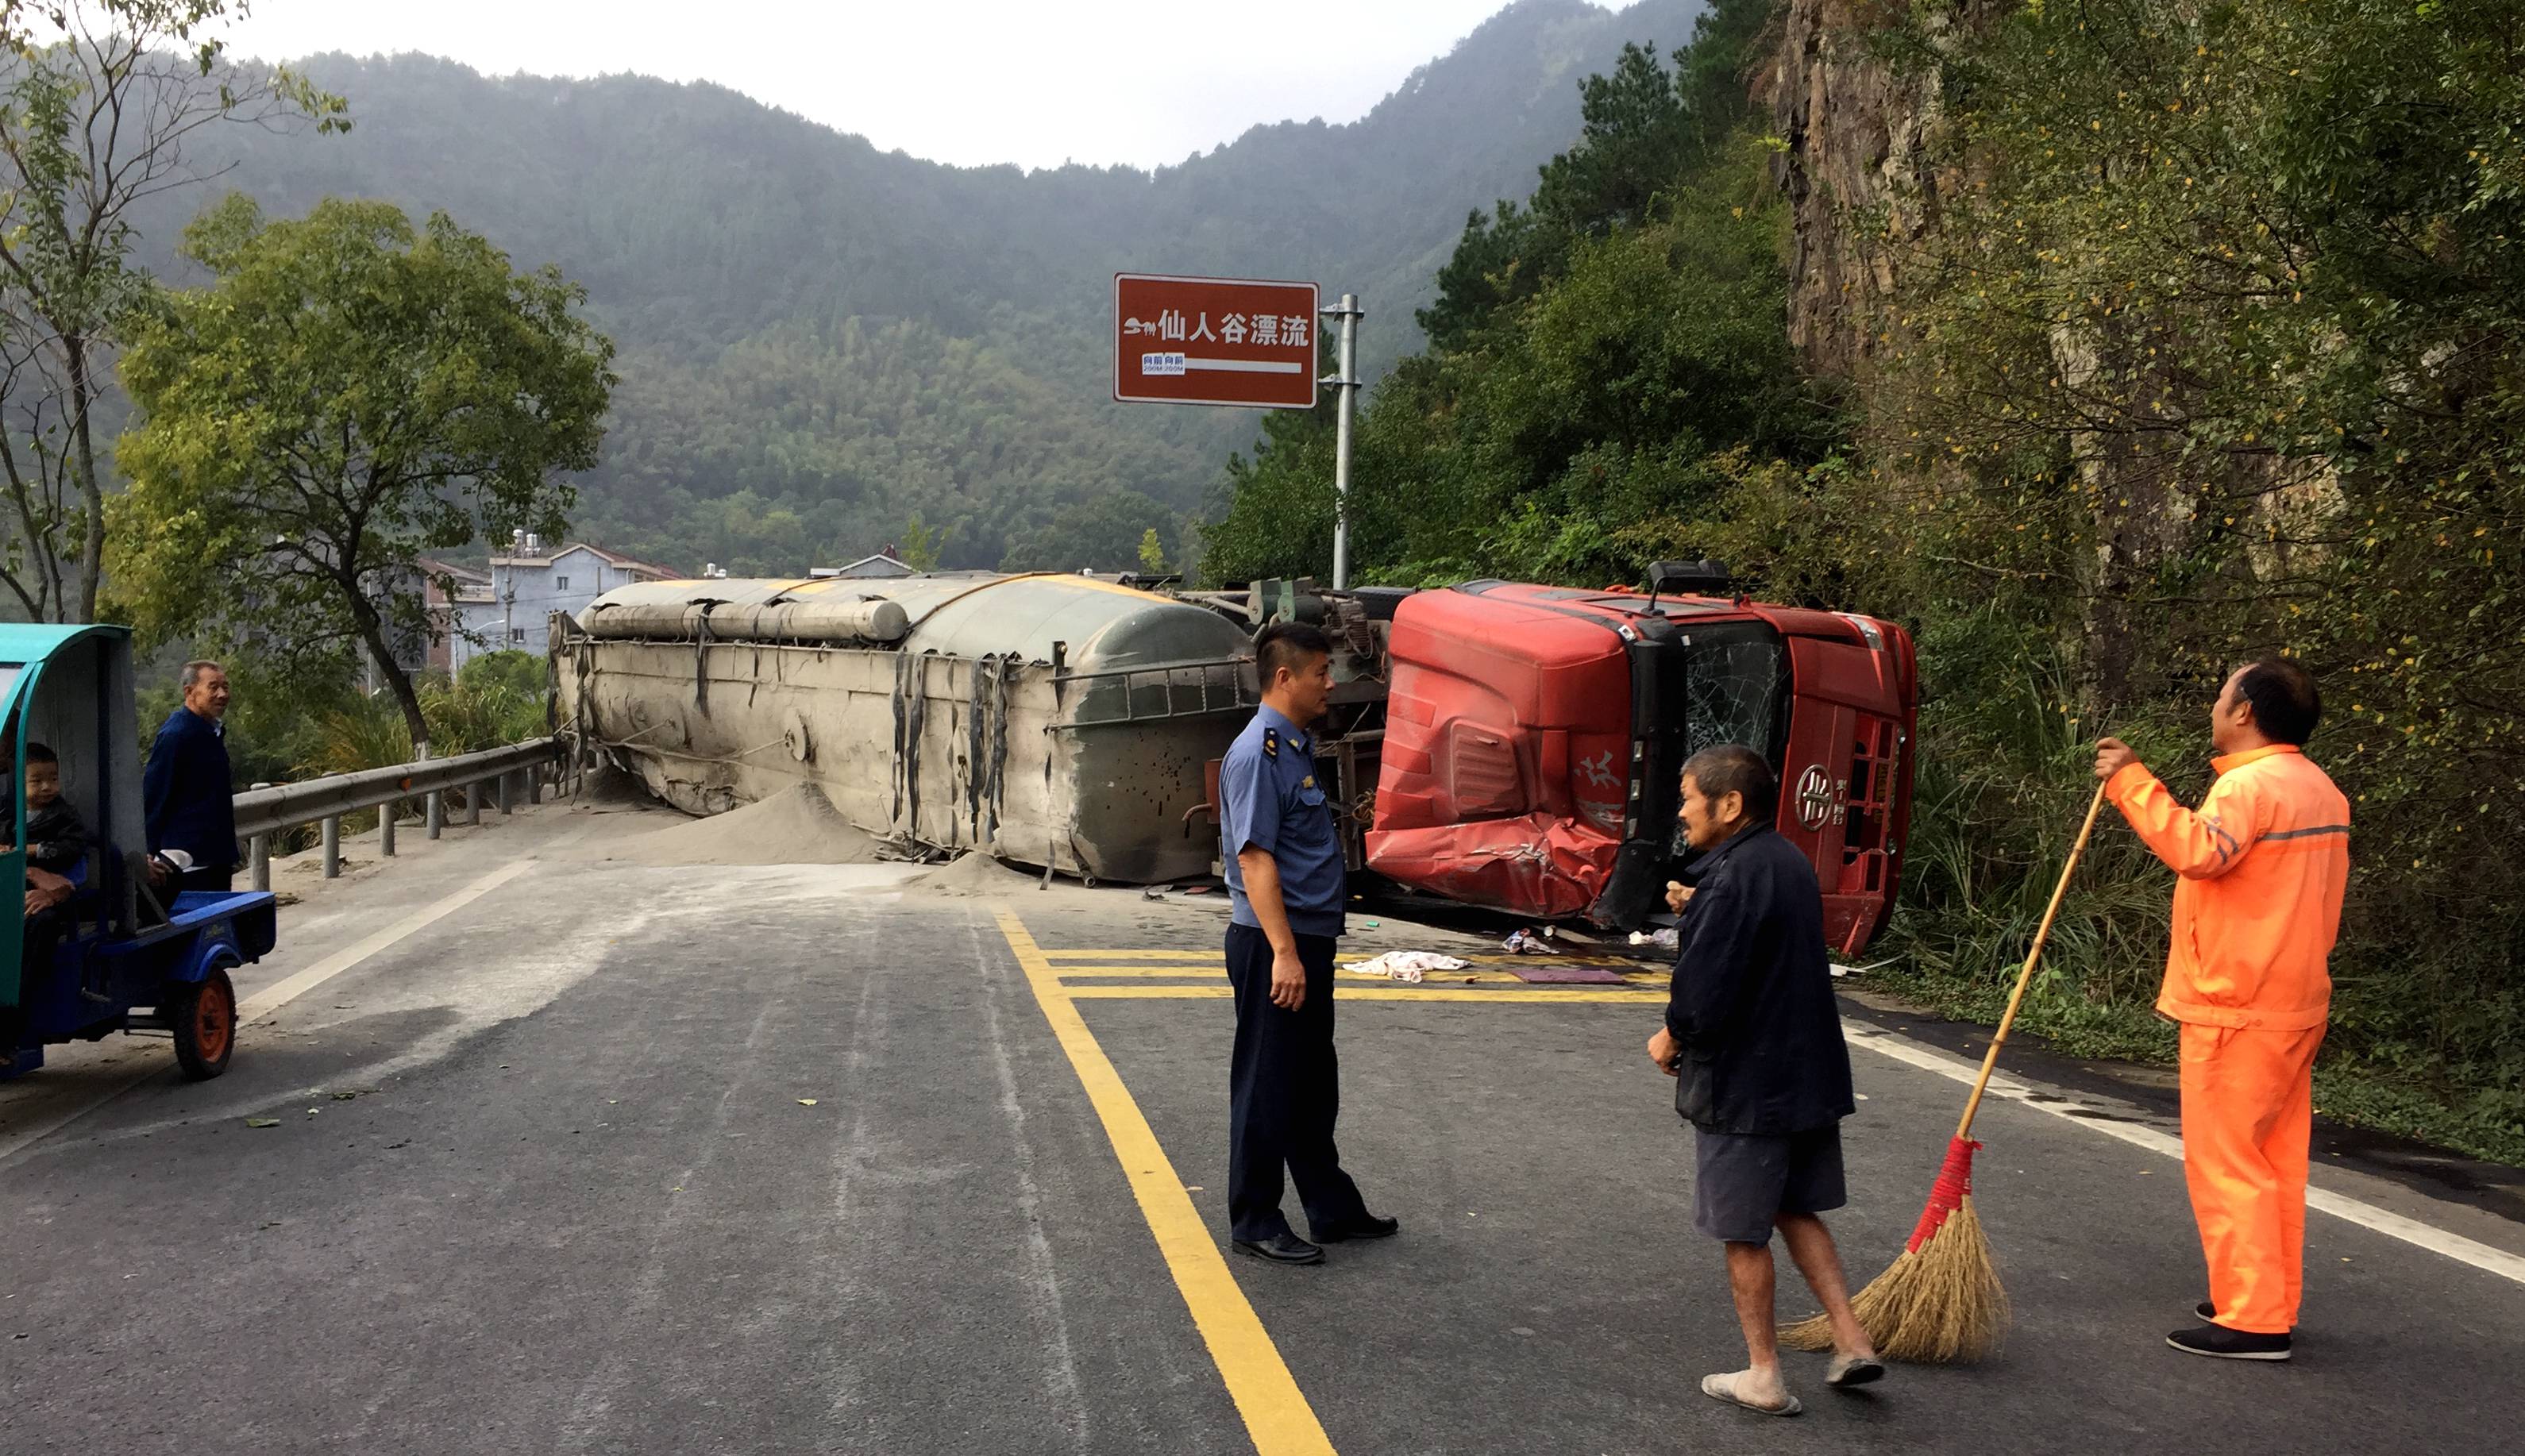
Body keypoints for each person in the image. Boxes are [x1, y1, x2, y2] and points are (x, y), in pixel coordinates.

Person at [2095, 657, 2347, 1362]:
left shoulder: (2250, 786)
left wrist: (2130, 784)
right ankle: (2263, 1295)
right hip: (2295, 998)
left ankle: (2254, 1321)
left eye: (2221, 694)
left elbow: (2200, 853)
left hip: (2239, 1001)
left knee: (2230, 1160)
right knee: (2273, 1159)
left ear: (2244, 713)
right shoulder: (2319, 787)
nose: (2214, 704)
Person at [1648, 743, 1879, 1416]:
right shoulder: (1784, 861)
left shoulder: (1731, 878)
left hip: (1747, 1086)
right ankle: (1853, 1339)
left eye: (1691, 797)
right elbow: (1757, 934)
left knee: (1744, 1231)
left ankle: (1764, 1375)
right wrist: (1703, 905)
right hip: (1805, 1075)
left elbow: (1702, 996)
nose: (1683, 810)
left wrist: (1672, 1036)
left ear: (1729, 805)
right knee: (1792, 1206)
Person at [1217, 621, 1391, 1265]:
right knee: (1267, 1082)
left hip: (1306, 939)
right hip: (1275, 944)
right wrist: (1285, 954)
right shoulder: (1256, 753)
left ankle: (1330, 1205)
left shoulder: (1293, 747)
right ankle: (1255, 1218)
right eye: (1321, 671)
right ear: (1284, 677)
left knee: (1313, 1080)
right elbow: (1256, 859)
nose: (1331, 682)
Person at [143, 660, 239, 896]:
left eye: (225, 687)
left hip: (216, 855)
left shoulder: (212, 731)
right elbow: (155, 795)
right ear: (189, 692)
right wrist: (146, 850)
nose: (222, 694)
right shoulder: (177, 735)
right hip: (188, 861)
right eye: (213, 687)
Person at [9, 743, 94, 1000]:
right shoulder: (8, 815)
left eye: (53, 779)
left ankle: (20, 996)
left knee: (41, 922)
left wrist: (34, 850)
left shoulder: (64, 816)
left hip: (55, 892)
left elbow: (74, 848)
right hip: (14, 887)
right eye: (37, 780)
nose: (47, 787)